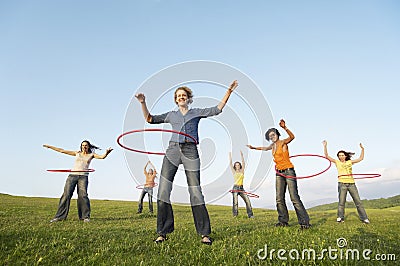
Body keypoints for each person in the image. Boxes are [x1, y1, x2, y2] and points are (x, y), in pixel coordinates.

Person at [135, 80, 238, 245]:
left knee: (195, 192)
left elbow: (217, 109)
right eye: (178, 96)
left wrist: (229, 91)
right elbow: (150, 119)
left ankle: (205, 233)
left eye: (184, 95)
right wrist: (142, 102)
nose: (181, 97)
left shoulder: (196, 112)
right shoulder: (171, 115)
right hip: (173, 151)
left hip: (190, 150)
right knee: (162, 190)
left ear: (188, 98)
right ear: (176, 100)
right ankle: (162, 232)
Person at [247, 119, 311, 229]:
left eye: (273, 134)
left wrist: (285, 127)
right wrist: (253, 147)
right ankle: (283, 221)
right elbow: (264, 148)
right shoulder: (272, 146)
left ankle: (305, 223)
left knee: (294, 197)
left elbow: (292, 137)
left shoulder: (283, 142)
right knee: (279, 198)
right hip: (279, 173)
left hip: (288, 171)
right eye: (270, 136)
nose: (272, 137)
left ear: (277, 134)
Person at [43, 140, 113, 222]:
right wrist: (50, 147)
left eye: (86, 145)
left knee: (83, 196)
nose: (84, 147)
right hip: (72, 176)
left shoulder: (92, 155)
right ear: (81, 146)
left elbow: (102, 157)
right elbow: (62, 150)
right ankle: (59, 217)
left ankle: (85, 217)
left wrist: (107, 153)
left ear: (89, 146)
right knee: (66, 195)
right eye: (83, 145)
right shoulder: (77, 153)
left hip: (83, 177)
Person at [322, 140, 370, 224]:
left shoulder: (350, 162)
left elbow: (361, 158)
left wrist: (362, 149)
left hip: (351, 184)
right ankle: (340, 218)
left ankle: (364, 218)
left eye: (342, 155)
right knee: (341, 202)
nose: (341, 156)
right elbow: (326, 156)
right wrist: (325, 146)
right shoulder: (337, 162)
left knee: (358, 202)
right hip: (342, 183)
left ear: (345, 156)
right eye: (339, 155)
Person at [229, 151, 254, 218]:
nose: (237, 166)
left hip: (241, 188)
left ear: (240, 165)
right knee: (235, 203)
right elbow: (230, 164)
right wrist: (230, 156)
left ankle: (250, 215)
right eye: (236, 165)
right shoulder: (234, 172)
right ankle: (235, 216)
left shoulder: (242, 171)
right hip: (235, 188)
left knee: (248, 201)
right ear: (235, 166)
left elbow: (243, 163)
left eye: (238, 165)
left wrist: (242, 155)